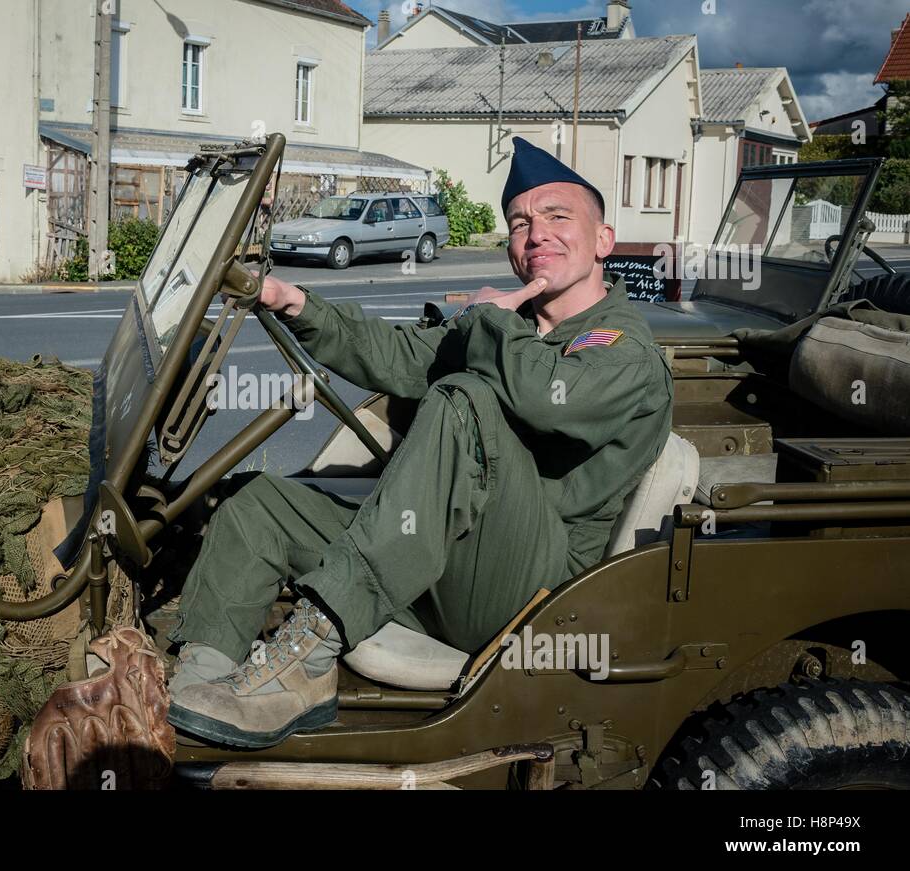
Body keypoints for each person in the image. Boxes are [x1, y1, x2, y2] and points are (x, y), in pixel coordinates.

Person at [166, 137, 674, 748]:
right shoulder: (511, 327)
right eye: (520, 223)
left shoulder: (624, 348)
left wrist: (488, 318)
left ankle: (307, 656)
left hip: (533, 592)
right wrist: (290, 299)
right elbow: (402, 356)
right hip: (445, 562)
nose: (536, 234)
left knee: (465, 399)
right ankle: (202, 680)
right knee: (260, 505)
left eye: (558, 217)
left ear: (604, 242)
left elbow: (543, 397)